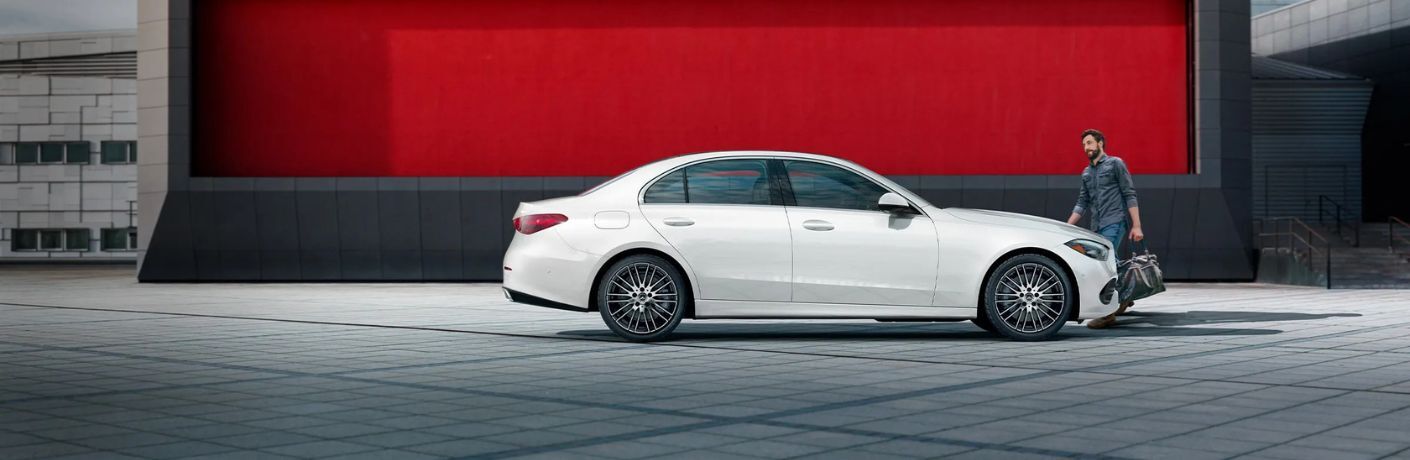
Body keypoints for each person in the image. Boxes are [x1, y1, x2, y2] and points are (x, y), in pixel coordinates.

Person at [1066, 129, 1142, 329]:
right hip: (1097, 226)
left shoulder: (1115, 164)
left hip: (1114, 221)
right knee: (1110, 262)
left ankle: (1108, 314)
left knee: (1104, 265)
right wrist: (1067, 226)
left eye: (1089, 143)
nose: (1086, 147)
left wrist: (1136, 226)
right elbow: (1082, 202)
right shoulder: (1087, 173)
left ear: (1100, 143)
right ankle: (1125, 295)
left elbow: (1129, 194)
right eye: (1084, 144)